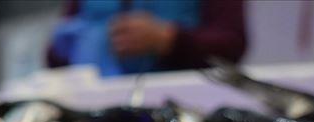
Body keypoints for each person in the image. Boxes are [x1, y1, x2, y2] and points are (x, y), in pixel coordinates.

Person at [47, 0, 247, 76]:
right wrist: (73, 46)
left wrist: (170, 40)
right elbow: (54, 59)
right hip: (95, 104)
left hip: (186, 103)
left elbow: (232, 44)